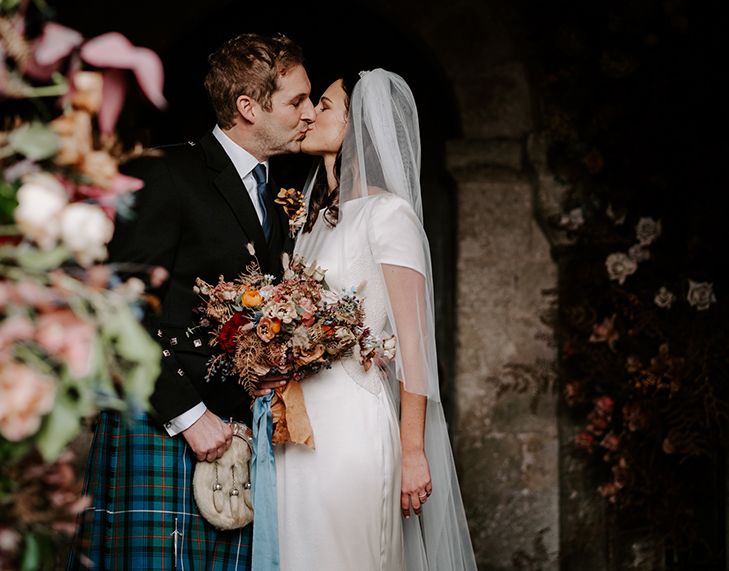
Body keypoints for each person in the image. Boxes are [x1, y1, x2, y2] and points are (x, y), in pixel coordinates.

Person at [67, 33, 316, 570]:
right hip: (165, 424)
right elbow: (117, 306)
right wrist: (188, 414)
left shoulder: (273, 198)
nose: (310, 114)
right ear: (248, 107)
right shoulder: (169, 172)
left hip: (235, 436)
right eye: (297, 101)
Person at [274, 69, 477, 570]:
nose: (308, 114)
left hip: (354, 424)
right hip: (297, 429)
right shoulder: (312, 221)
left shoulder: (389, 215)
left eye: (323, 105)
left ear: (355, 127)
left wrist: (413, 451)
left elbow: (415, 347)